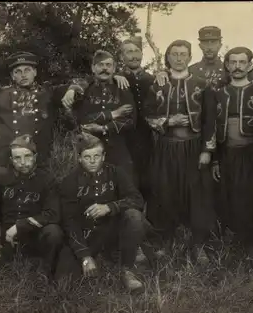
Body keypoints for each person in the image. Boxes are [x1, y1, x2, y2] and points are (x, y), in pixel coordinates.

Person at [143, 39, 218, 265]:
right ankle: (165, 242)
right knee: (165, 192)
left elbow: (210, 121)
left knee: (197, 195)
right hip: (166, 147)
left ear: (189, 56)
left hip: (193, 146)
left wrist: (207, 150)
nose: (178, 58)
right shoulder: (158, 84)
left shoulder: (202, 83)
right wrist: (167, 120)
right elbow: (147, 114)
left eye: (183, 54)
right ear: (168, 57)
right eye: (174, 54)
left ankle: (198, 245)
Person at [0, 51, 85, 183]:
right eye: (18, 71)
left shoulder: (48, 93)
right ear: (13, 76)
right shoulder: (1, 95)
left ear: (35, 72)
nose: (23, 75)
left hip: (39, 161)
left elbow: (84, 83)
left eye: (27, 70)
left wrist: (72, 90)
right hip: (6, 161)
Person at [56, 132, 148, 291]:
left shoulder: (116, 172)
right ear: (79, 158)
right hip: (88, 233)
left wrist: (109, 207)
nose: (92, 161)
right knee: (64, 283)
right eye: (87, 157)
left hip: (115, 228)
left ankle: (127, 268)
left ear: (104, 156)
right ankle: (99, 256)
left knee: (134, 216)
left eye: (97, 156)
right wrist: (84, 255)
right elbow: (69, 221)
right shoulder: (69, 182)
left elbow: (137, 199)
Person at [0, 135, 64, 283]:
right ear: (11, 160)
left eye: (27, 156)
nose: (23, 162)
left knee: (54, 232)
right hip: (7, 241)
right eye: (17, 158)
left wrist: (21, 226)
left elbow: (53, 214)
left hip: (36, 240)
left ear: (35, 156)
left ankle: (45, 267)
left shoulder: (47, 180)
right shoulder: (2, 178)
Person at [210, 46, 253, 260]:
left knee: (250, 197)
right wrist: (215, 159)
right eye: (233, 62)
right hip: (226, 153)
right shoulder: (218, 93)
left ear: (250, 65)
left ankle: (252, 243)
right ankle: (230, 243)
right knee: (227, 196)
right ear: (226, 65)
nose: (237, 67)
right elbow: (212, 128)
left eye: (242, 62)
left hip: (251, 154)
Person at [64, 50, 137, 182]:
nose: (105, 68)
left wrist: (104, 128)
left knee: (123, 184)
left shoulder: (122, 89)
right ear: (93, 68)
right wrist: (113, 114)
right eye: (100, 65)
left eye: (109, 65)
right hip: (89, 149)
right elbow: (82, 119)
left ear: (114, 68)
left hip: (118, 148)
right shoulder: (84, 90)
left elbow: (130, 120)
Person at [118, 36, 155, 200]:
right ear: (122, 57)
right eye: (128, 52)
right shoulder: (116, 79)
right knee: (127, 177)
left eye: (136, 51)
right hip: (124, 136)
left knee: (149, 175)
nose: (133, 56)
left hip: (149, 136)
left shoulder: (151, 79)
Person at [155, 26, 225, 89]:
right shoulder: (190, 71)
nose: (209, 47)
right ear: (200, 46)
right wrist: (165, 73)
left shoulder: (228, 72)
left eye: (213, 42)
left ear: (220, 45)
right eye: (205, 43)